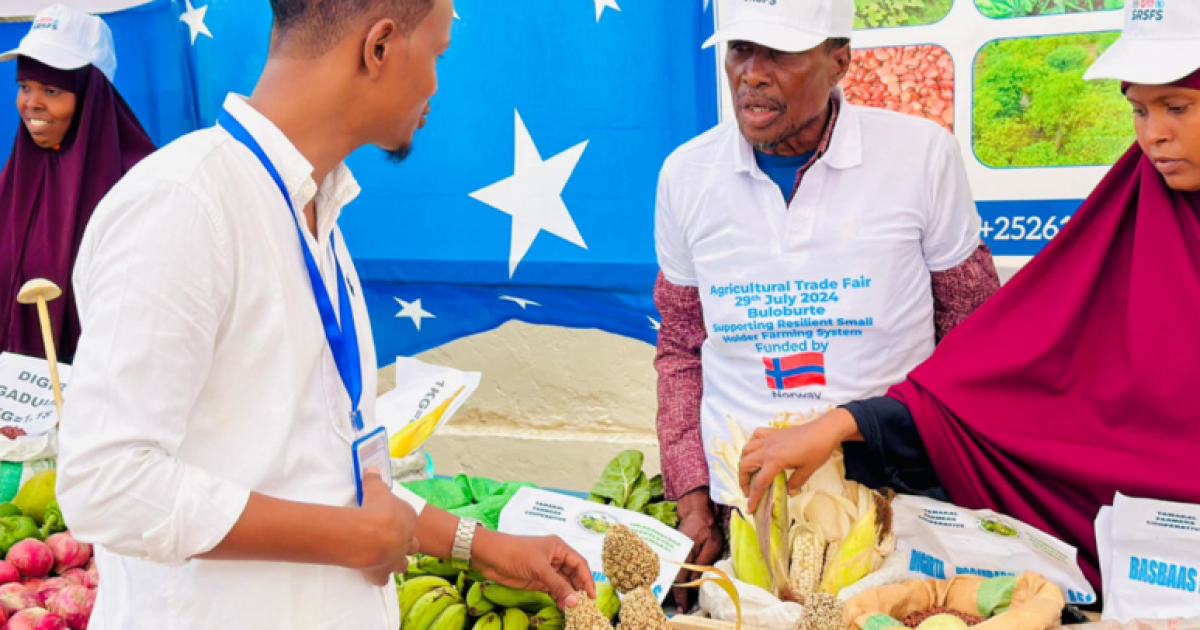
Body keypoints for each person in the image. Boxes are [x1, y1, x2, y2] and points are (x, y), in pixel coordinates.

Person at [55, 0, 593, 628]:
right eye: (437, 53)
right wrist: (348, 540)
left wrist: (477, 545)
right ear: (380, 47)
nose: (437, 85)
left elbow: (328, 477)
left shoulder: (313, 210)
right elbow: (106, 482)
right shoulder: (184, 203)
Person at [737, 0, 1200, 596]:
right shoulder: (1124, 217)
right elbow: (993, 378)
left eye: (1178, 107)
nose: (1153, 133)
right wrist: (844, 423)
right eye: (1138, 109)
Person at [652, 0, 1000, 608]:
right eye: (740, 51)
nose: (751, 74)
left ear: (839, 60)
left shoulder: (920, 156)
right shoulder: (686, 175)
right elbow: (681, 347)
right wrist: (691, 494)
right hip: (749, 507)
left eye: (780, 54)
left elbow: (974, 332)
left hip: (894, 497)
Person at [0, 3, 155, 364]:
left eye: (52, 91)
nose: (31, 104)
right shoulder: (12, 183)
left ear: (92, 95)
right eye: (24, 86)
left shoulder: (143, 187)